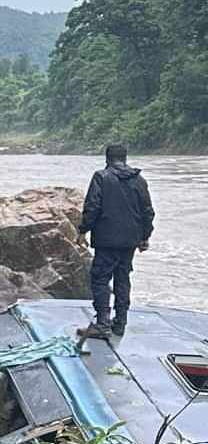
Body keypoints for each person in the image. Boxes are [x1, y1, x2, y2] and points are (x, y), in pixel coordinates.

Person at [79, 143, 154, 338]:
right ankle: (120, 323)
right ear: (125, 158)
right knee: (123, 278)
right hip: (130, 241)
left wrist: (82, 230)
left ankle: (102, 324)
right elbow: (147, 211)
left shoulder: (101, 177)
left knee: (101, 278)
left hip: (106, 240)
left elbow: (93, 207)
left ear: (107, 158)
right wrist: (145, 236)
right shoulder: (139, 180)